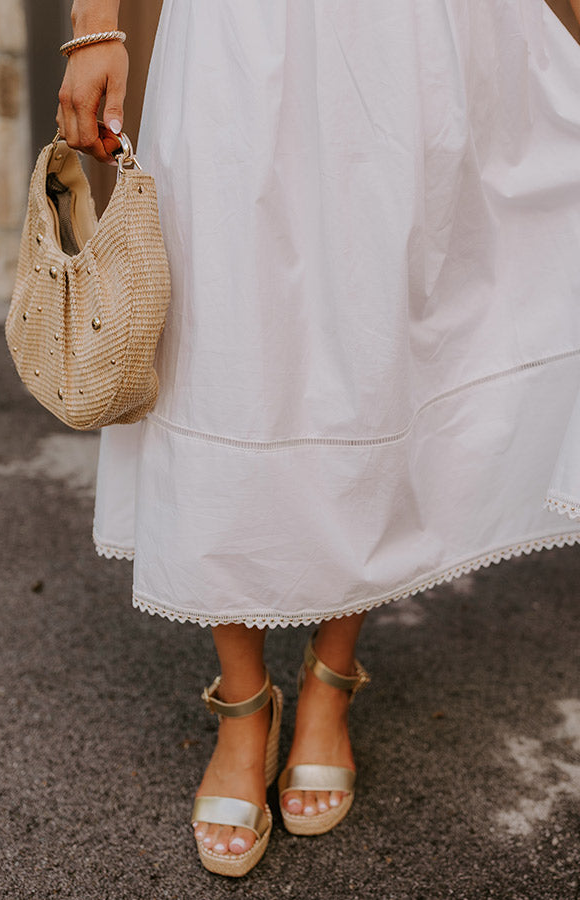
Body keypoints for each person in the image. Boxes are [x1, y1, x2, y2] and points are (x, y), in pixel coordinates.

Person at [57, 0, 580, 878]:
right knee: (220, 340)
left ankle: (331, 686)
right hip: (237, 30)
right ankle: (242, 704)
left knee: (378, 338)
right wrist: (95, 23)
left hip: (414, 31)